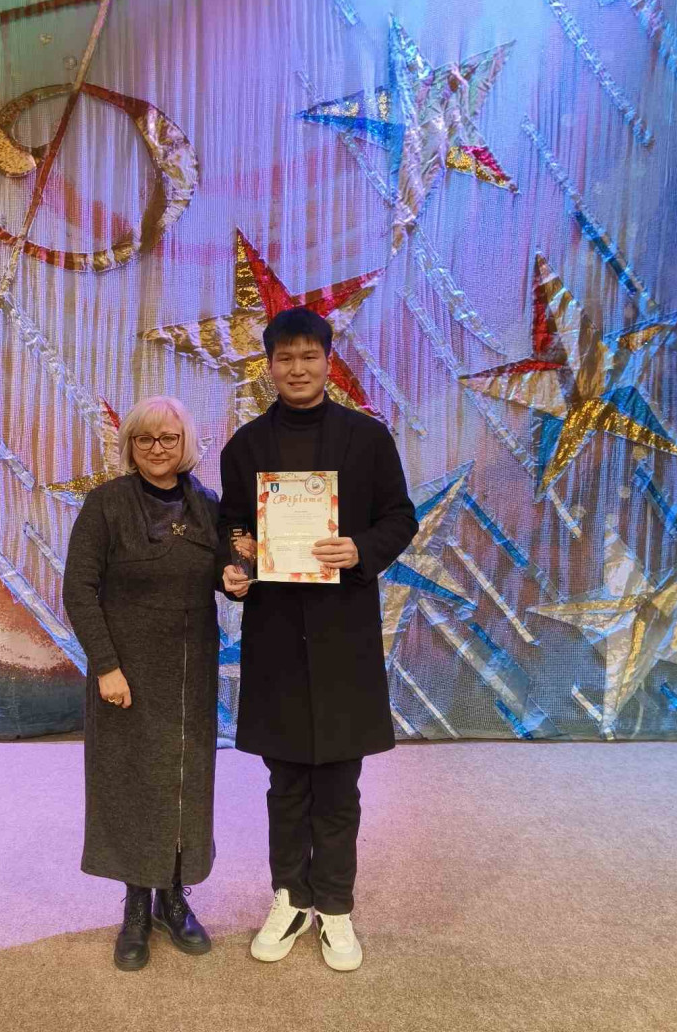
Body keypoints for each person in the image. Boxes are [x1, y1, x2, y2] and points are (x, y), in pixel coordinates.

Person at [218, 307, 418, 972]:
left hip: (344, 634)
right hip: (275, 633)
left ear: (328, 362)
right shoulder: (245, 447)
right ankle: (290, 897)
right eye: (285, 358)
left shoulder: (368, 439)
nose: (297, 369)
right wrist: (234, 567)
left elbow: (400, 518)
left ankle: (334, 905)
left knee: (338, 783)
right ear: (269, 366)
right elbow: (233, 529)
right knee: (284, 782)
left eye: (309, 357)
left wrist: (359, 548)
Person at [62, 396, 221, 972]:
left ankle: (172, 898)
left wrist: (239, 577)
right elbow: (79, 588)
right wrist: (106, 665)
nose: (158, 448)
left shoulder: (208, 506)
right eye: (146, 439)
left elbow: (227, 572)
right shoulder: (105, 504)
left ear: (186, 444)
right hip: (125, 673)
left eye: (169, 438)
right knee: (131, 783)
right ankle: (135, 905)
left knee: (183, 782)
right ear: (130, 445)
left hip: (190, 673)